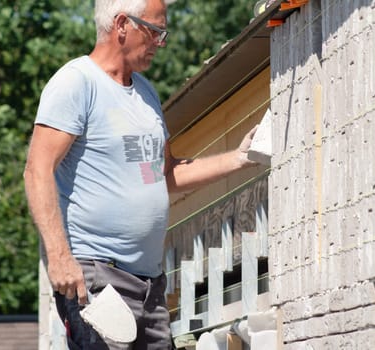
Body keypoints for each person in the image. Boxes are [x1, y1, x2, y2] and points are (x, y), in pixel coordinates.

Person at [23, 0, 258, 348]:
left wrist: (242, 157)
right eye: (155, 31)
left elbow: (166, 173)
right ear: (121, 25)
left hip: (150, 285)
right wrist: (59, 257)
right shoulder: (76, 83)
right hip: (97, 278)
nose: (160, 43)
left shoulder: (146, 93)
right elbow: (36, 171)